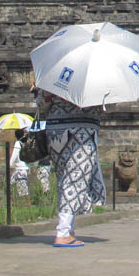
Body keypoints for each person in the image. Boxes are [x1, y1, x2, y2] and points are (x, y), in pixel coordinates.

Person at [35, 89, 107, 247]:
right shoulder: (97, 80)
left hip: (55, 131)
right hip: (82, 131)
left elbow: (41, 104)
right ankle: (63, 233)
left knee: (65, 179)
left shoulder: (56, 76)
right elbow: (105, 107)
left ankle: (70, 229)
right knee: (75, 180)